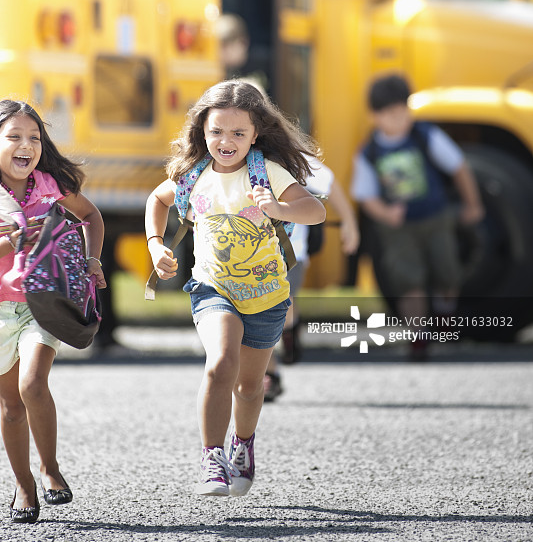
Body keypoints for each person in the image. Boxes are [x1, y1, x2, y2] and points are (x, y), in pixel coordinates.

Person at [145, 80, 325, 497]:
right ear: (202, 131)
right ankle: (212, 457)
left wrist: (278, 208)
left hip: (268, 296)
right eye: (216, 132)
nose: (226, 142)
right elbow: (158, 200)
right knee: (220, 362)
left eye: (238, 133)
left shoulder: (268, 173)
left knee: (249, 386)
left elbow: (314, 209)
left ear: (255, 134)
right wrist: (156, 245)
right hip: (213, 289)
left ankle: (242, 443)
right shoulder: (194, 176)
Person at [0, 100, 105, 523]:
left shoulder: (50, 184)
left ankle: (50, 468)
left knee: (33, 384)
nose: (26, 146)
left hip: (43, 306)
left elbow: (91, 215)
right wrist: (13, 242)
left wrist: (93, 260)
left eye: (34, 138)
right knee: (9, 406)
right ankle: (23, 484)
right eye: (14, 137)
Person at [350, 74, 484, 359]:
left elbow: (458, 167)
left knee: (448, 272)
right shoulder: (369, 152)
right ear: (375, 116)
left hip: (436, 218)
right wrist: (386, 213)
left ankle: (445, 312)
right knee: (408, 280)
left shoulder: (424, 136)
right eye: (391, 114)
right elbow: (366, 196)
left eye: (403, 112)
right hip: (398, 228)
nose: (399, 120)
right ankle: (418, 337)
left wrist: (473, 204)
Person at [263, 157, 360, 401]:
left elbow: (329, 184)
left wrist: (349, 222)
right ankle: (269, 375)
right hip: (245, 254)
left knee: (282, 306)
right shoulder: (231, 156)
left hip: (290, 251)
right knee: (258, 315)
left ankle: (291, 328)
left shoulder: (291, 157)